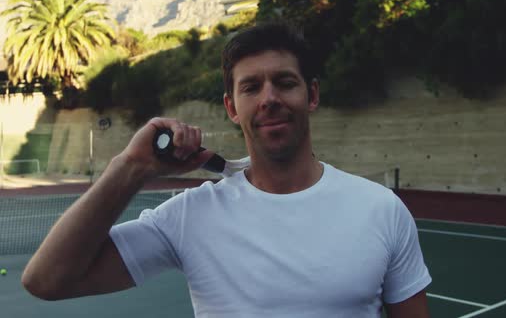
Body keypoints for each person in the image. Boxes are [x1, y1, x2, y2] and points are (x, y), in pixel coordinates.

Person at [21, 22, 431, 317]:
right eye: (251, 87)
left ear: (312, 95)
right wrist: (131, 166)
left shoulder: (381, 208)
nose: (269, 98)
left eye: (285, 82)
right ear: (232, 107)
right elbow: (46, 280)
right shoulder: (189, 216)